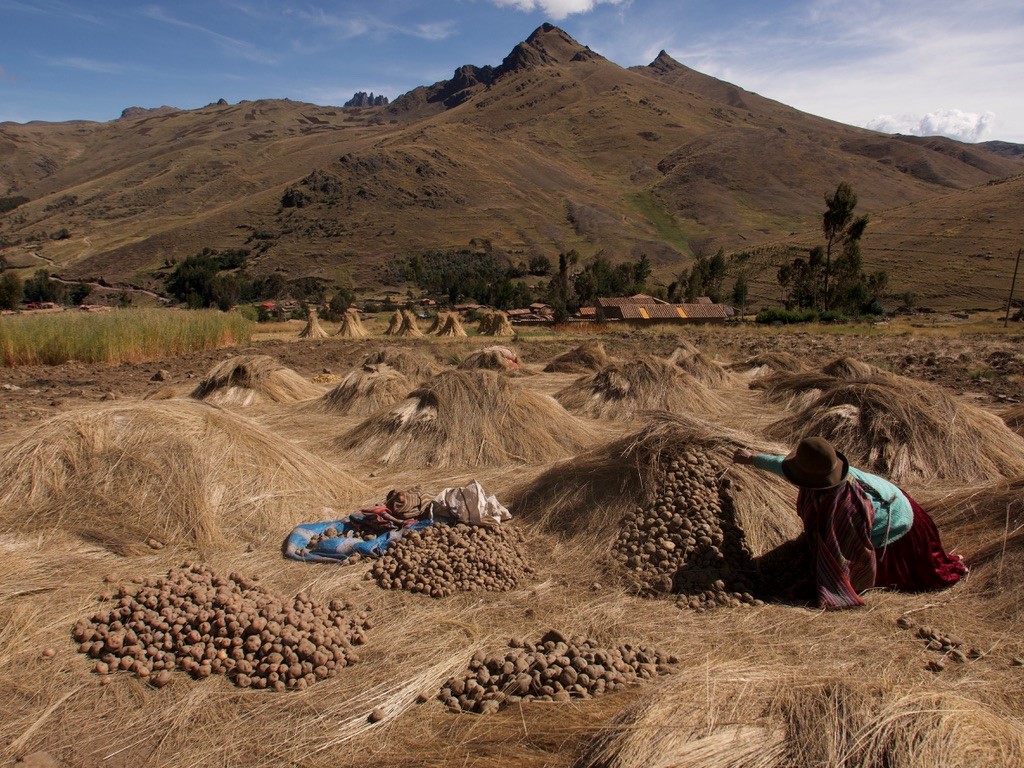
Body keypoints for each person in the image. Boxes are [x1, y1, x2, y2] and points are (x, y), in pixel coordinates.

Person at [733, 437, 967, 609]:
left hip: (900, 532)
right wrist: (752, 459)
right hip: (900, 505)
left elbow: (848, 554)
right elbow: (783, 466)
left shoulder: (847, 507)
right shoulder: (825, 470)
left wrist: (830, 580)